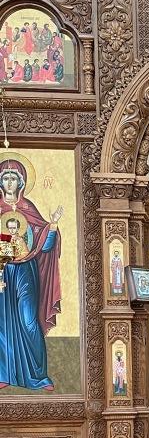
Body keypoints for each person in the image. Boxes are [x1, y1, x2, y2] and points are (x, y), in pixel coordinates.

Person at [0, 160, 63, 392]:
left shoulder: (29, 209)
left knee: (28, 321)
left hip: (26, 271)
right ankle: (4, 374)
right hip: (2, 272)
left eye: (13, 178)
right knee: (2, 323)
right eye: (5, 178)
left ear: (21, 182)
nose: (9, 182)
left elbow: (43, 247)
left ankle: (38, 375)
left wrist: (53, 225)